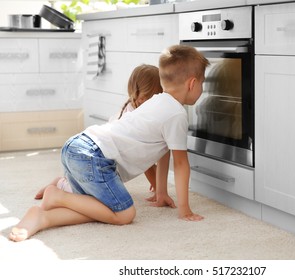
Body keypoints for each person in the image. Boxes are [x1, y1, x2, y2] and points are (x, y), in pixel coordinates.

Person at [9, 44, 209, 242]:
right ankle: (57, 197)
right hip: (94, 157)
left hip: (78, 146)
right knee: (124, 213)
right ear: (192, 83)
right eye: (202, 83)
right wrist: (185, 210)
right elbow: (181, 164)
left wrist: (161, 193)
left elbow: (163, 152)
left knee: (97, 206)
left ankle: (45, 215)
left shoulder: (155, 102)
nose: (202, 89)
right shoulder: (176, 114)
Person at [34, 64, 164, 201]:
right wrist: (157, 187)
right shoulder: (137, 120)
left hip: (89, 153)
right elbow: (145, 160)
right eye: (158, 98)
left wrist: (156, 185)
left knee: (84, 186)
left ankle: (65, 181)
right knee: (88, 197)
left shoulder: (131, 109)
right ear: (142, 98)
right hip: (99, 162)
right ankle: (60, 184)